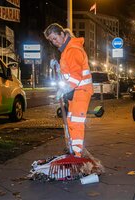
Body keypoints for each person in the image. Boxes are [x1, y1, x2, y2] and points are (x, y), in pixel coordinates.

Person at [44, 23, 93, 157]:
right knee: (71, 121)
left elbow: (76, 77)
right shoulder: (66, 50)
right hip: (75, 92)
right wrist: (59, 68)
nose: (54, 42)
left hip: (81, 91)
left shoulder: (73, 50)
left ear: (62, 34)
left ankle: (77, 154)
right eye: (51, 41)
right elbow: (69, 72)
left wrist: (64, 89)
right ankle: (74, 150)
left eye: (55, 38)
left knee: (76, 122)